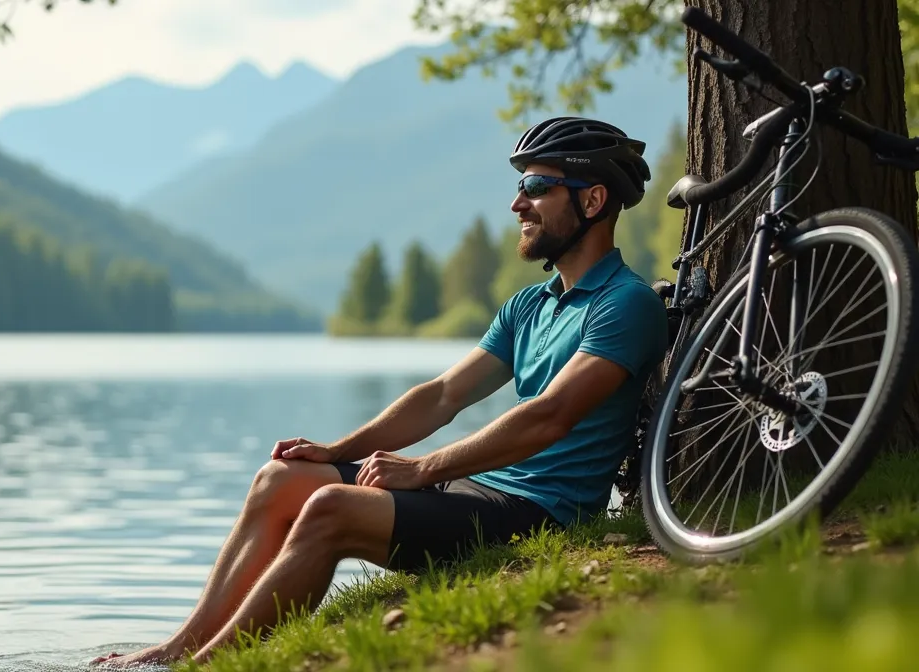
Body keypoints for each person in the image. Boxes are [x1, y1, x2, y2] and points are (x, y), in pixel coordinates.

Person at [91, 117, 670, 668]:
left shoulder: (625, 303)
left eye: (537, 187)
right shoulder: (529, 305)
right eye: (520, 186)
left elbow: (551, 415)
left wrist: (422, 468)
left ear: (593, 201)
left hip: (538, 511)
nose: (517, 203)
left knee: (331, 507)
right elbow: (442, 395)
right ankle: (179, 648)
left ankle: (207, 667)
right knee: (281, 479)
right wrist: (338, 450)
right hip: (480, 489)